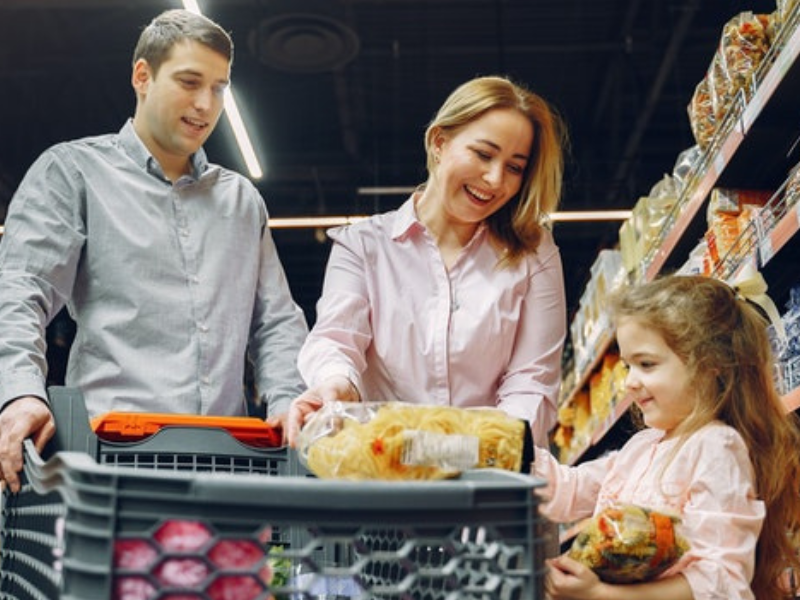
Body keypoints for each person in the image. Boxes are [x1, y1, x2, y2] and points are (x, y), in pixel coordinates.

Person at [0, 9, 308, 492]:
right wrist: (19, 393)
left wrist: (289, 400)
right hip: (110, 465)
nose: (205, 104)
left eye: (219, 88)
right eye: (189, 82)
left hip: (230, 466)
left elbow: (276, 322)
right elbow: (21, 291)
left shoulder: (240, 200)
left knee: (239, 572)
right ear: (142, 76)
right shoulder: (74, 173)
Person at [283, 75, 568, 448]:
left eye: (515, 167)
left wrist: (474, 450)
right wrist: (337, 384)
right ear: (439, 142)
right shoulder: (363, 247)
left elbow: (532, 380)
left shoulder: (533, 253)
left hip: (490, 477)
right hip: (383, 469)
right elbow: (337, 340)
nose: (496, 179)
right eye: (483, 154)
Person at [538, 275, 800, 600]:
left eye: (646, 364)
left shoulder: (716, 447)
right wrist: (500, 443)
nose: (630, 382)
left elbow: (722, 580)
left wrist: (601, 594)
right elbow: (569, 490)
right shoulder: (643, 447)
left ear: (711, 365)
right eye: (627, 366)